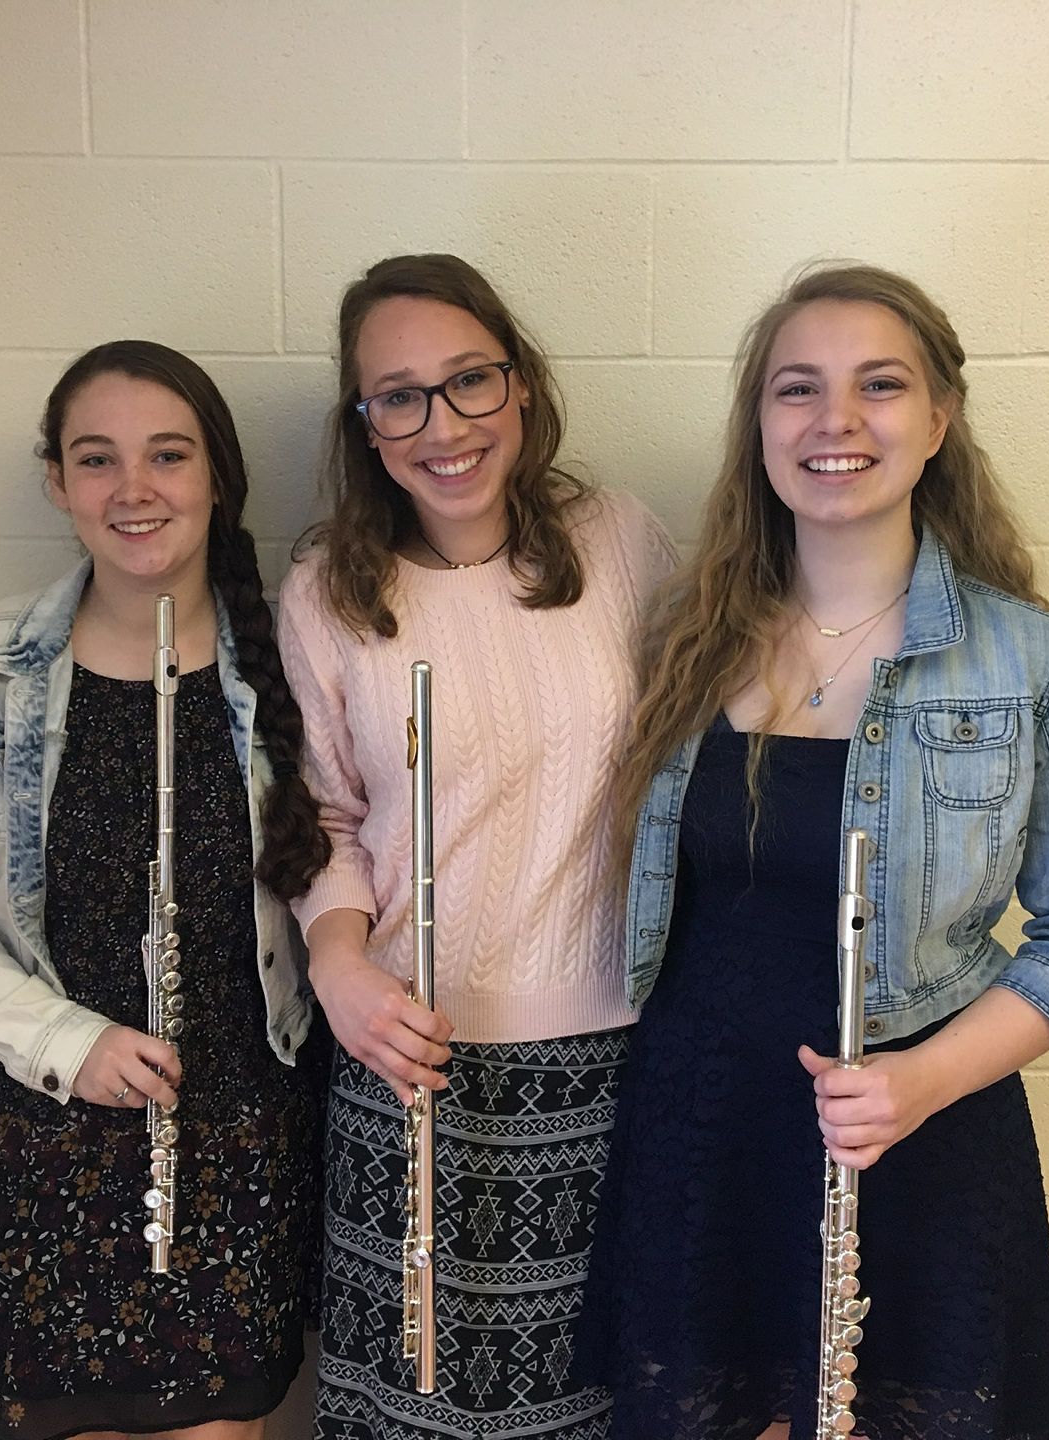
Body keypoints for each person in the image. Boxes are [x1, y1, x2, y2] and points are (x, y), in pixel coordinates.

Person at [576, 264, 1049, 1440]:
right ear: (760, 429)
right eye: (798, 390)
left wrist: (920, 1082)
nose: (835, 421)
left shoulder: (1029, 659)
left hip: (917, 1133)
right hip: (705, 1133)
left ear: (937, 420)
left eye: (878, 386)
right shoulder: (681, 638)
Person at [0, 341, 331, 1440]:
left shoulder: (302, 655)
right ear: (56, 481)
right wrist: (68, 1042)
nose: (135, 489)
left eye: (167, 455)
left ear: (217, 474)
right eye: (96, 459)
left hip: (237, 1141)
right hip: (47, 1137)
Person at [277, 253, 675, 1439]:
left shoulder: (626, 545)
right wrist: (341, 971)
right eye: (398, 395)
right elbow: (325, 822)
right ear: (363, 423)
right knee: (414, 1408)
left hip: (612, 1060)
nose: (441, 425)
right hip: (405, 1054)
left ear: (520, 385)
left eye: (469, 382)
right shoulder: (324, 593)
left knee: (589, 1408)